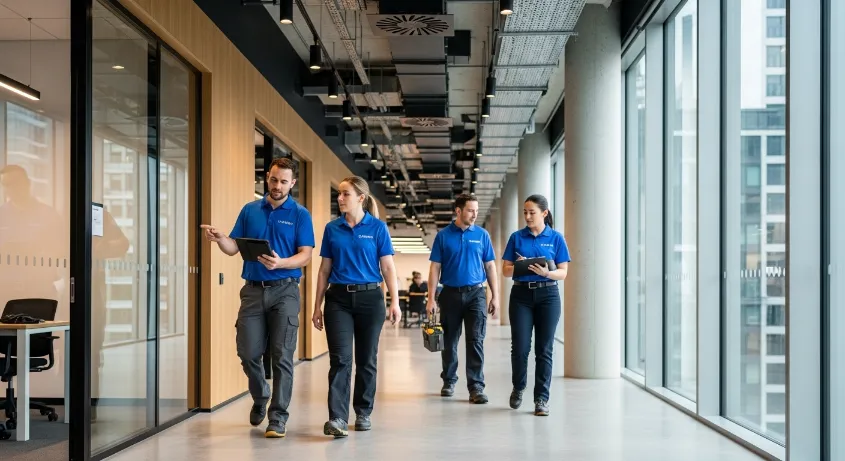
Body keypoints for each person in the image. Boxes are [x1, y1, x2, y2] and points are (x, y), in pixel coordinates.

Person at [201, 157, 314, 438]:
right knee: (247, 352)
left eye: (284, 181)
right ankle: (261, 394)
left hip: (285, 289)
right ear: (267, 177)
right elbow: (233, 248)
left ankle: (277, 417)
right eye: (274, 179)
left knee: (282, 355)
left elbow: (306, 255)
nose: (278, 186)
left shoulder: (300, 214)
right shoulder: (250, 210)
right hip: (252, 290)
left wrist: (282, 262)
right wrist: (220, 238)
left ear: (292, 183)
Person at [312, 176, 402, 438]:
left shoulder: (377, 228)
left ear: (360, 198)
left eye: (345, 194)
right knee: (340, 359)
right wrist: (317, 305)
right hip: (338, 300)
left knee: (366, 359)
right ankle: (338, 418)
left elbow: (387, 267)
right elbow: (323, 270)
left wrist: (394, 301)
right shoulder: (332, 229)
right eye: (338, 194)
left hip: (370, 299)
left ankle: (363, 412)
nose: (339, 198)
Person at [426, 193, 499, 404]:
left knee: (475, 340)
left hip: (476, 293)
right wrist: (431, 298)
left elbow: (490, 266)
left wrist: (494, 295)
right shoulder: (443, 236)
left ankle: (476, 386)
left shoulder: (482, 235)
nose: (475, 214)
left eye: (476, 210)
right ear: (458, 211)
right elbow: (435, 268)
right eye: (470, 210)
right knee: (449, 341)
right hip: (449, 294)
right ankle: (449, 380)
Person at [501, 194, 570, 416]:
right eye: (525, 212)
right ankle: (519, 387)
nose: (528, 216)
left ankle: (541, 398)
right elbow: (505, 270)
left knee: (544, 349)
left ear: (544, 213)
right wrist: (521, 267)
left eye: (532, 212)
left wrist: (547, 272)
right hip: (521, 296)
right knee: (520, 348)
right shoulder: (516, 238)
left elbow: (563, 272)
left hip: (548, 296)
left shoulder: (556, 238)